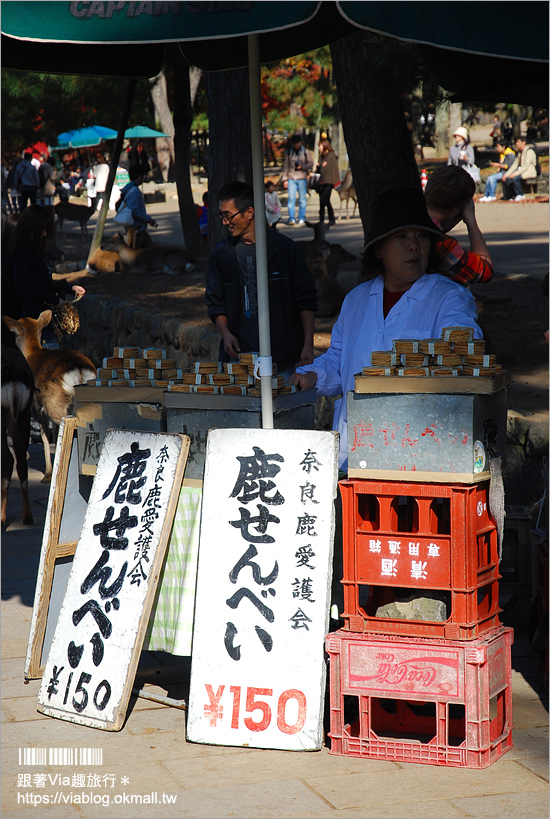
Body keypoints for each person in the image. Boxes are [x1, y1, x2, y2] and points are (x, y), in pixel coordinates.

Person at [290, 187, 482, 471]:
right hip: (354, 446)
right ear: (379, 249)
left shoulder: (450, 299)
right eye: (402, 236)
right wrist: (311, 376)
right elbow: (338, 360)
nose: (414, 246)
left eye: (421, 236)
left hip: (417, 448)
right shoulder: (356, 299)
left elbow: (464, 353)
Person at [206, 181, 318, 369]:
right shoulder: (221, 254)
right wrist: (226, 333)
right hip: (238, 360)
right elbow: (216, 302)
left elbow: (306, 299)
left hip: (284, 360)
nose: (225, 222)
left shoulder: (285, 249)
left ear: (249, 212)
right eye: (222, 216)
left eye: (228, 216)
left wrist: (308, 344)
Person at [2, 205, 85, 346]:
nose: (45, 234)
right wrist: (54, 299)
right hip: (34, 321)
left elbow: (43, 282)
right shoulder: (23, 252)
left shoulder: (32, 252)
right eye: (42, 230)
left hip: (42, 320)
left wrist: (69, 288)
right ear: (32, 229)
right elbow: (24, 286)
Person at [425, 165, 493, 285]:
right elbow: (485, 270)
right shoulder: (442, 245)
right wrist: (471, 221)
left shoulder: (412, 221)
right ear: (459, 207)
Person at [117, 164, 158, 246]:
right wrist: (148, 219)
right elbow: (134, 210)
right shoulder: (134, 190)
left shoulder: (127, 189)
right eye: (143, 176)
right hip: (137, 228)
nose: (144, 178)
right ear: (139, 176)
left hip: (132, 228)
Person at [281, 133, 313, 226]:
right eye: (294, 143)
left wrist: (303, 167)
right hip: (291, 177)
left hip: (302, 177)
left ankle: (302, 217)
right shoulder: (289, 152)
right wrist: (285, 179)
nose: (296, 145)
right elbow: (286, 165)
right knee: (291, 199)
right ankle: (291, 218)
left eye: (297, 143)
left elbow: (310, 163)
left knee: (302, 199)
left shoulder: (305, 151)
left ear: (300, 142)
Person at [501, 135, 538, 202]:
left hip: (529, 172)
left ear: (523, 142)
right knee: (508, 179)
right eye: (516, 142)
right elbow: (514, 166)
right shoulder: (520, 153)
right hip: (521, 172)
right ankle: (513, 195)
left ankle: (520, 194)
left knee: (515, 178)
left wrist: (515, 174)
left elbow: (526, 167)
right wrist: (506, 174)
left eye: (518, 142)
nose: (516, 144)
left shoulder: (529, 152)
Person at [316, 136, 339, 226]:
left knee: (325, 200)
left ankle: (332, 219)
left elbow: (325, 166)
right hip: (321, 182)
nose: (319, 148)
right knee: (322, 202)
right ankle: (321, 220)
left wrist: (320, 165)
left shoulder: (330, 155)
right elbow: (320, 166)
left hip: (329, 181)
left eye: (320, 146)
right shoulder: (321, 156)